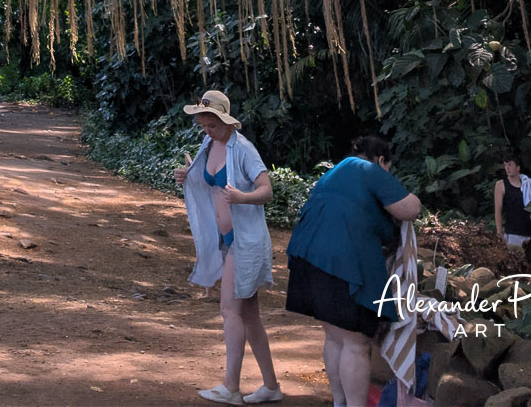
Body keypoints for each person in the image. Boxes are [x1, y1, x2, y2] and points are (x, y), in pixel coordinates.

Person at [285, 133, 421, 407]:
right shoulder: (368, 168)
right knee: (356, 343)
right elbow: (410, 207)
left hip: (307, 255)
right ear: (382, 160)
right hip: (341, 262)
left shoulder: (337, 171)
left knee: (335, 337)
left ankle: (339, 403)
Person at [172, 88, 281, 407]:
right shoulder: (210, 143)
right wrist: (186, 176)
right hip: (227, 240)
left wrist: (242, 198)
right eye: (203, 125)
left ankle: (231, 386)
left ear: (226, 121)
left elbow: (266, 190)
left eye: (212, 125)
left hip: (245, 242)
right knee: (249, 315)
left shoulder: (244, 149)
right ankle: (271, 386)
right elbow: (205, 180)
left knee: (229, 309)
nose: (207, 130)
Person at [494, 152, 531, 265]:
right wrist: (499, 232)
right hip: (512, 231)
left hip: (529, 232)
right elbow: (498, 209)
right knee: (515, 265)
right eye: (505, 165)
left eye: (510, 165)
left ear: (518, 168)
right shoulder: (501, 185)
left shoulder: (528, 185)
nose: (507, 168)